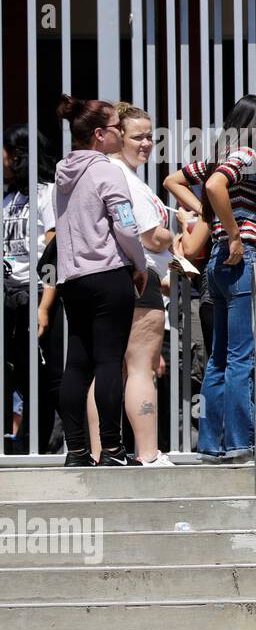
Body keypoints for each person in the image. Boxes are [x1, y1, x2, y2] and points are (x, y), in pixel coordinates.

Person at [172, 95, 256, 463]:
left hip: (217, 262)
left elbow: (174, 180)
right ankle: (238, 444)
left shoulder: (223, 154)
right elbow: (216, 186)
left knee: (219, 358)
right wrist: (233, 231)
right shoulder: (247, 156)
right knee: (240, 358)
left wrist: (210, 215)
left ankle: (212, 446)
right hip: (240, 257)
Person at [52, 95, 148, 467]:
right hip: (108, 274)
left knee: (77, 363)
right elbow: (125, 224)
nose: (120, 134)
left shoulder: (64, 173)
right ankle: (112, 449)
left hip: (72, 279)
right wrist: (139, 264)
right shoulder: (107, 170)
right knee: (109, 362)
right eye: (115, 129)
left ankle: (76, 450)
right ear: (98, 135)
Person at [86, 105, 174, 466]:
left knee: (106, 368)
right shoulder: (124, 179)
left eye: (150, 136)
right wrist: (177, 230)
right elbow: (151, 237)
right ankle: (148, 455)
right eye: (138, 136)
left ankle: (98, 453)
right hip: (139, 276)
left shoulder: (99, 174)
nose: (147, 144)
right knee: (140, 369)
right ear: (117, 136)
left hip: (103, 279)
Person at [2, 125, 60, 455]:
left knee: (48, 374)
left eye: (6, 151)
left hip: (38, 293)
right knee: (22, 375)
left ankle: (49, 443)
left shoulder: (47, 193)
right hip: (10, 295)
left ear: (19, 154)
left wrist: (45, 304)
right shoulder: (10, 198)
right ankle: (29, 442)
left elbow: (54, 251)